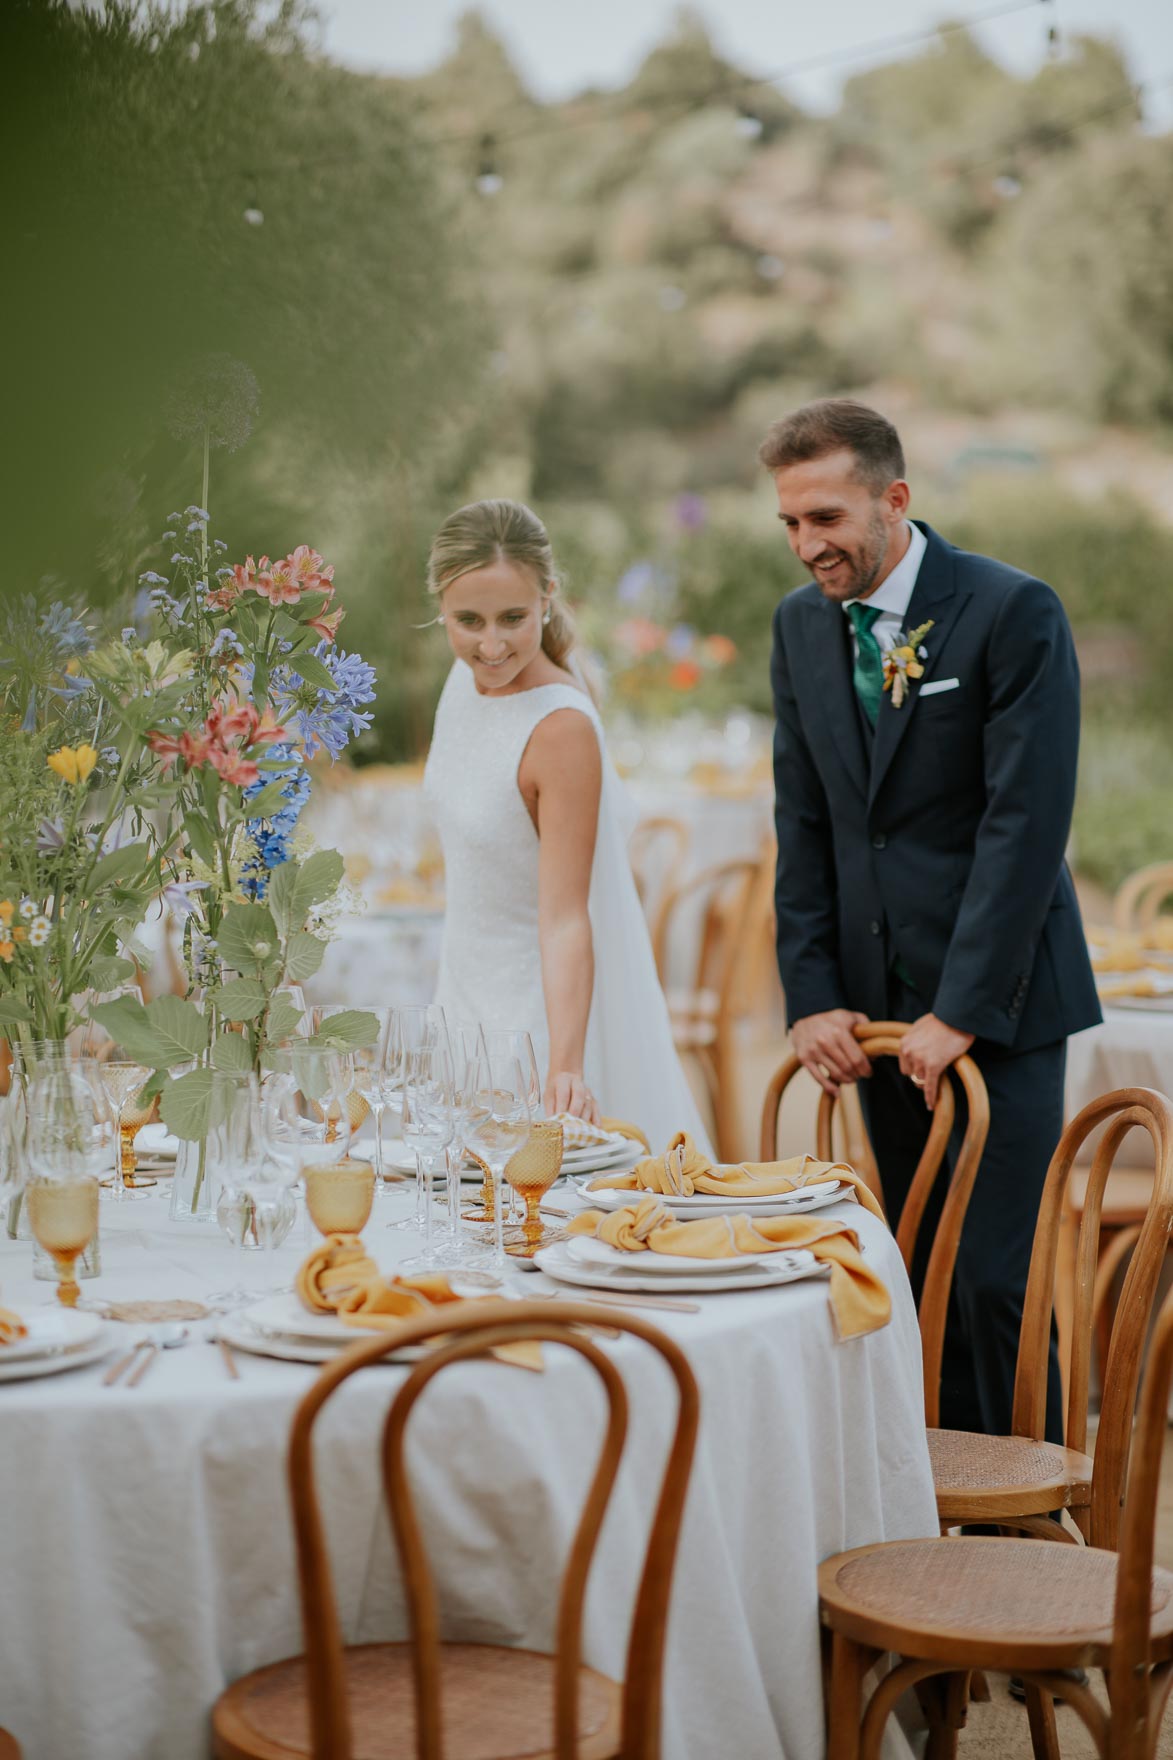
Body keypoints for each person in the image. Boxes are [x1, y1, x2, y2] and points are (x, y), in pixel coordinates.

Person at [762, 398, 1101, 1440]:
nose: (810, 543)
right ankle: (935, 1505)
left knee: (991, 1281)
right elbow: (806, 820)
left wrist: (961, 1009)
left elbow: (1024, 826)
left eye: (827, 516)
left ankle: (1022, 1525)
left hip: (996, 1006)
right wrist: (813, 994)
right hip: (872, 1013)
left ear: (894, 499)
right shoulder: (797, 625)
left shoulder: (1011, 611)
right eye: (791, 523)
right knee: (915, 1273)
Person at [422, 497, 711, 1152]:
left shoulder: (560, 727)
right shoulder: (460, 682)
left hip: (532, 1013)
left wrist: (564, 1067)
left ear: (547, 596)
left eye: (513, 618)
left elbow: (564, 917)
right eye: (467, 620)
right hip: (459, 988)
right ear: (439, 601)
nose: (490, 645)